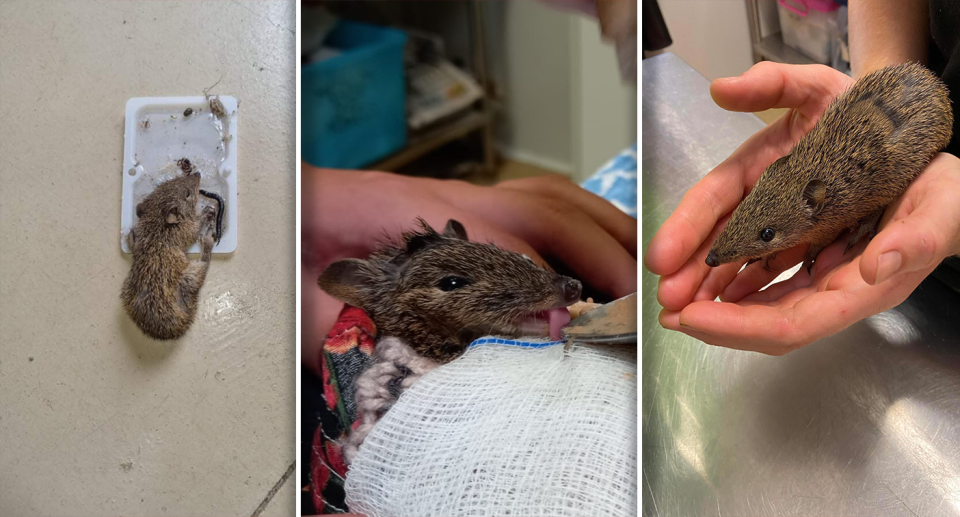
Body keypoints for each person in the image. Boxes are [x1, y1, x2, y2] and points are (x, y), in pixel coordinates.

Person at [645, 0, 960, 355]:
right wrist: (878, 64)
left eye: (767, 235)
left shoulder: (839, 203)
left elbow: (835, 222)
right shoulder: (804, 190)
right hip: (904, 98)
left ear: (814, 202)